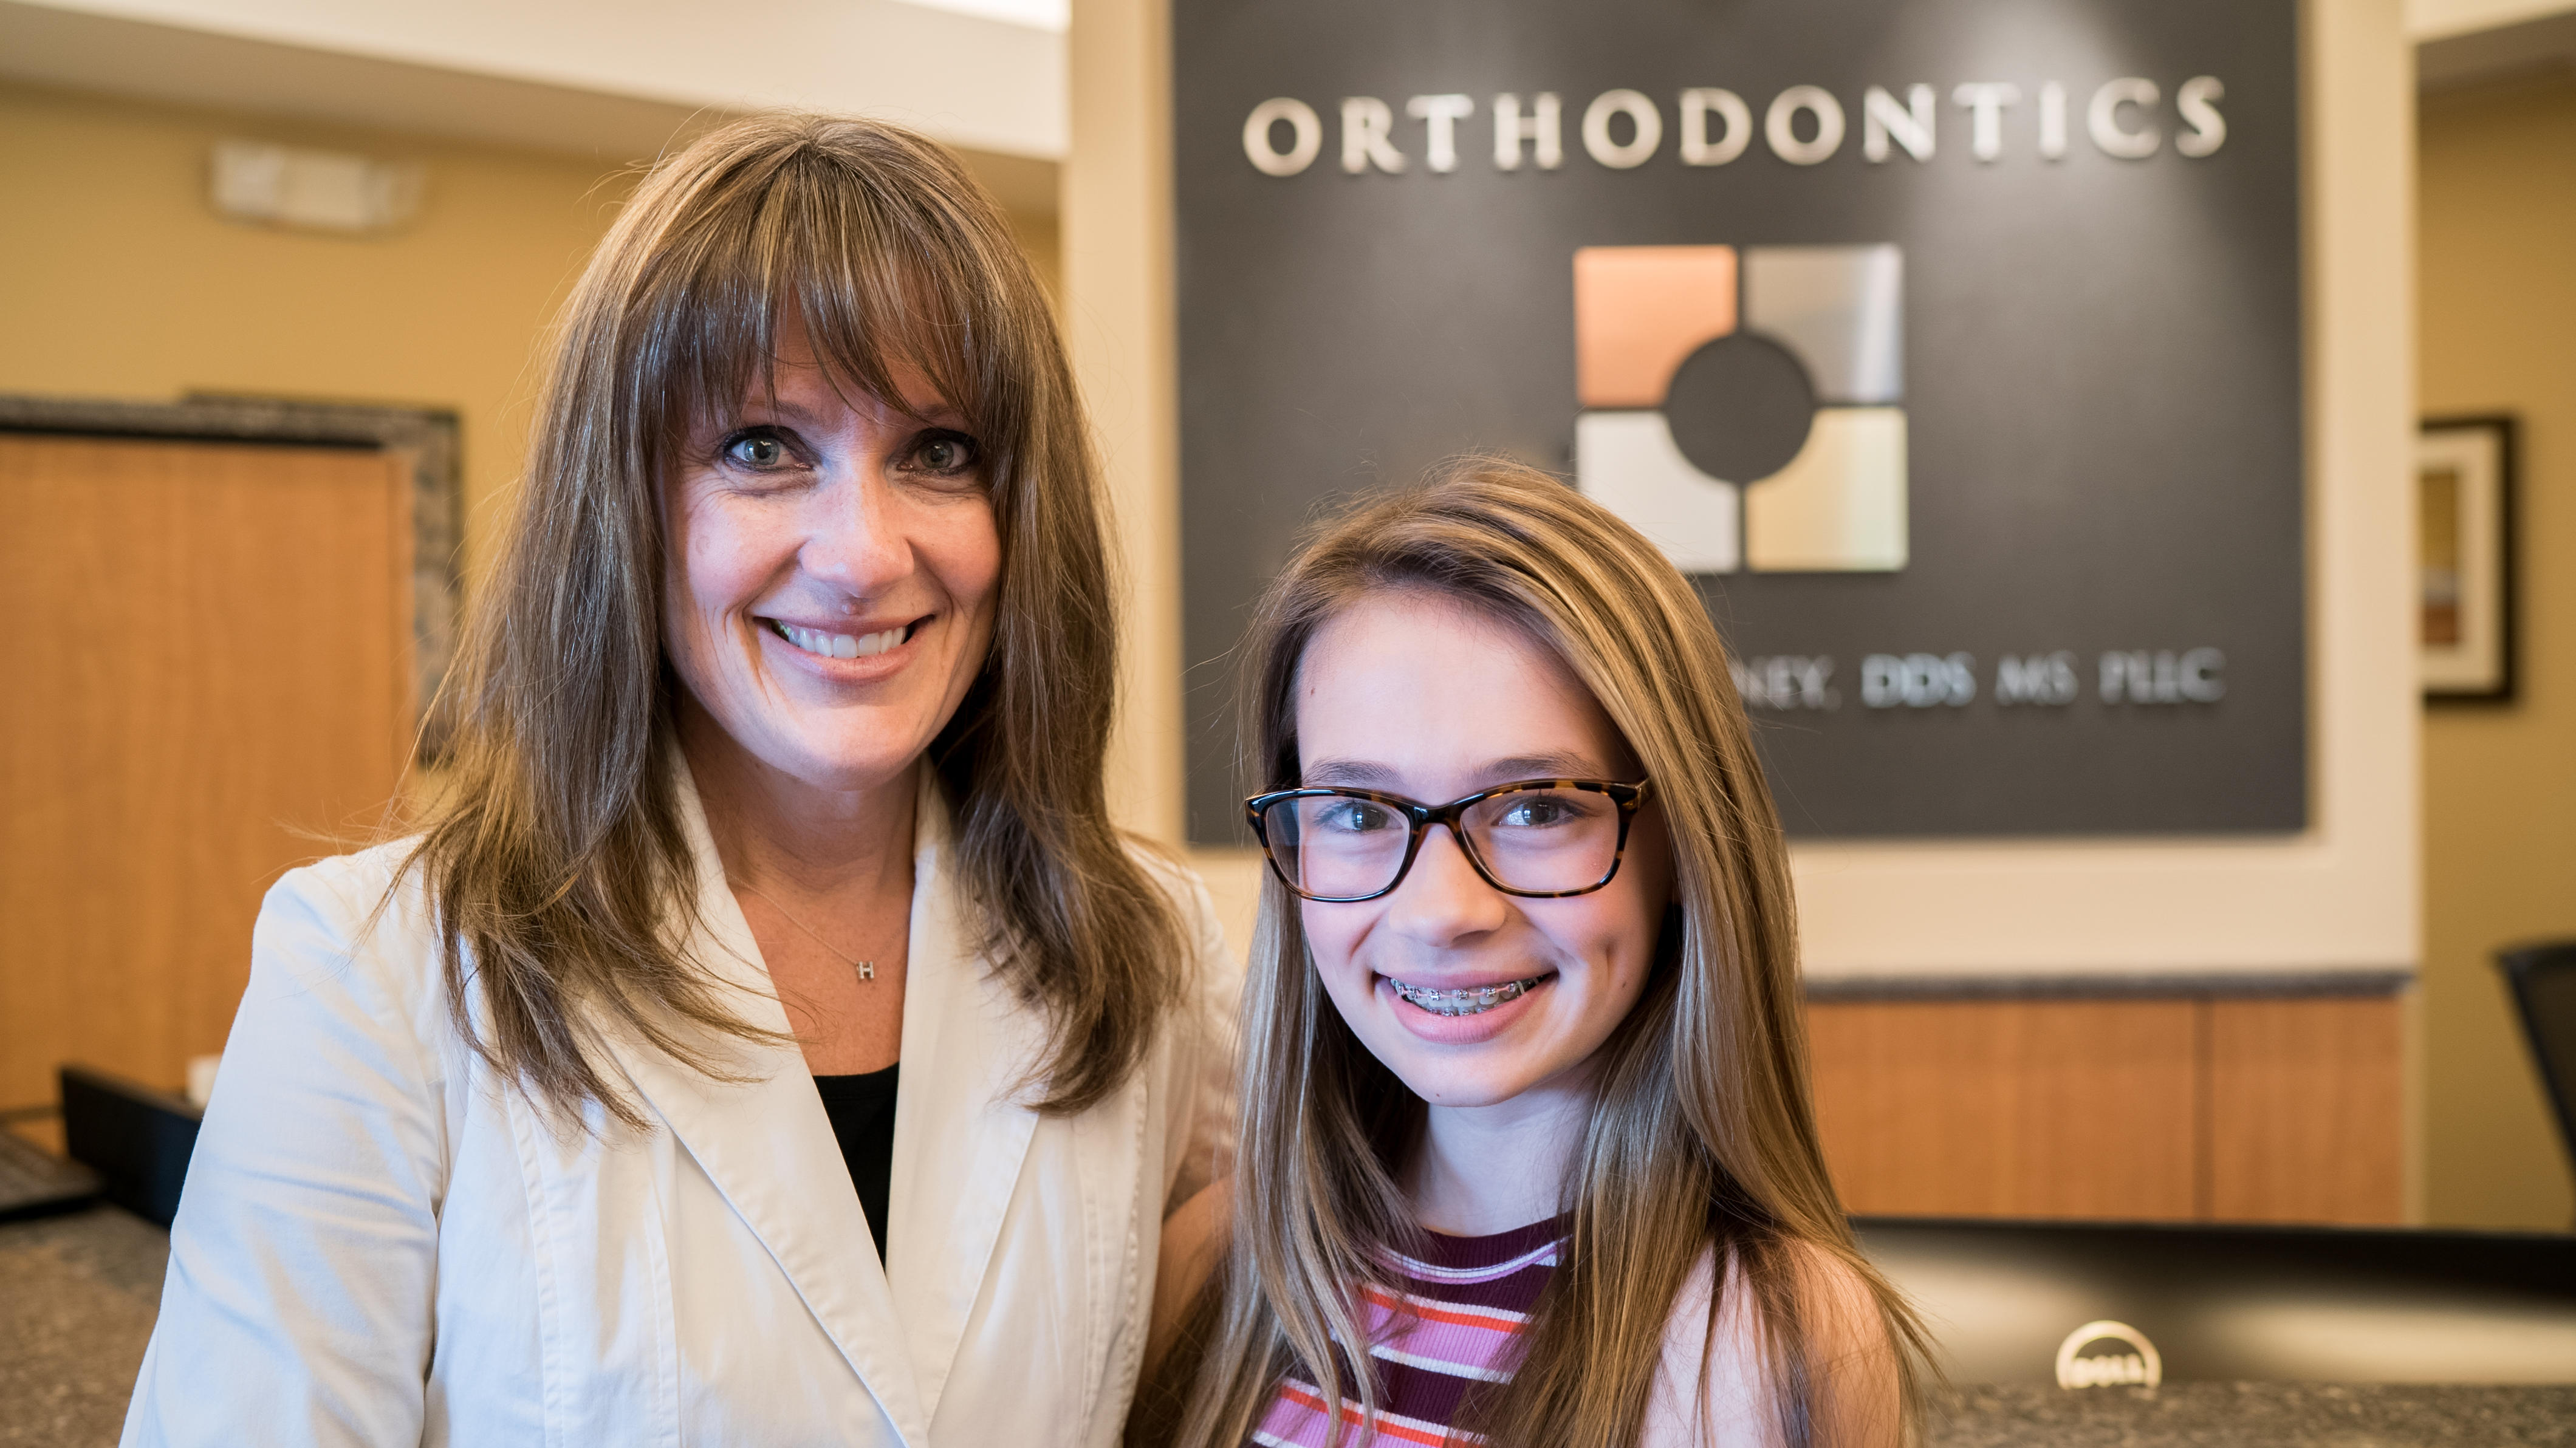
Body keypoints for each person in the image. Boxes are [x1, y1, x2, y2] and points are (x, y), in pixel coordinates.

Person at [122, 114, 1233, 1447]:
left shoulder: (1144, 948)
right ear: (625, 510)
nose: (863, 551)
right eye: (763, 447)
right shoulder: (376, 971)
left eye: (939, 451)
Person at [1139, 460, 1924, 1448]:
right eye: (1355, 810)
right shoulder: (1210, 1266)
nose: (1441, 911)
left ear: (1683, 844)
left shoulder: (1754, 1343)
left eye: (1538, 808)